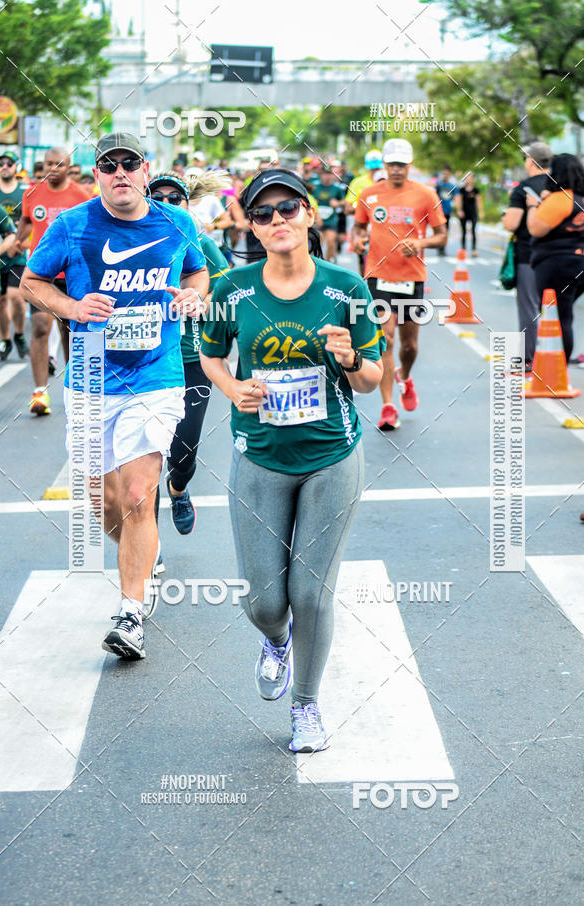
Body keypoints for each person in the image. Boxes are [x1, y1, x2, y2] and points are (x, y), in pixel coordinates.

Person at [199, 168, 384, 753]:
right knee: (264, 602)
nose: (276, 220)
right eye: (262, 213)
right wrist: (233, 389)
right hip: (259, 454)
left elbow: (372, 380)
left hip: (332, 455)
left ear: (309, 214)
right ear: (250, 226)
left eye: (287, 208)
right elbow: (210, 356)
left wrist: (350, 358)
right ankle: (275, 639)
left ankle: (306, 705)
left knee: (311, 594)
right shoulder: (231, 289)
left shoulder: (346, 288)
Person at [21, 132, 209, 659]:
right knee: (102, 500)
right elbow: (32, 282)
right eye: (109, 165)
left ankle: (130, 613)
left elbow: (198, 271)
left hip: (155, 376)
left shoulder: (176, 221)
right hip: (89, 377)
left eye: (130, 163)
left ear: (145, 170)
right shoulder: (72, 224)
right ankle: (143, 554)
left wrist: (193, 295)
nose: (120, 172)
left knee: (137, 495)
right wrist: (73, 307)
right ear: (97, 174)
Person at [147, 170, 230, 534]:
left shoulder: (201, 243)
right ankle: (148, 545)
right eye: (157, 198)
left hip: (191, 358)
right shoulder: (130, 242)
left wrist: (199, 301)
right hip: (145, 361)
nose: (166, 204)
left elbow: (227, 295)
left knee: (183, 450)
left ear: (187, 204)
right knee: (145, 455)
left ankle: (178, 488)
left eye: (174, 199)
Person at [353, 138, 447, 430]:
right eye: (392, 164)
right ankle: (388, 407)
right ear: (384, 164)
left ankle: (404, 376)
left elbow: (441, 235)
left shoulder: (426, 195)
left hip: (411, 279)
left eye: (401, 164)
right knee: (387, 339)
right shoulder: (369, 194)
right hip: (378, 276)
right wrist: (357, 240)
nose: (396, 169)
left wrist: (420, 243)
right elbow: (358, 227)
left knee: (409, 346)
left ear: (410, 165)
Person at [15, 146, 89, 415]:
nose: (53, 169)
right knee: (39, 328)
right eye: (48, 164)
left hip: (71, 276)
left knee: (70, 333)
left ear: (69, 167)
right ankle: (39, 392)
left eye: (59, 164)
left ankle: (74, 390)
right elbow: (26, 222)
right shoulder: (31, 193)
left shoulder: (82, 196)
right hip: (41, 276)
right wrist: (18, 240)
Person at [528, 152, 584, 361]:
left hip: (557, 265)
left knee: (559, 317)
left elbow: (536, 229)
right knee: (563, 313)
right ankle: (555, 364)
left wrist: (532, 205)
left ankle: (557, 366)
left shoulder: (560, 199)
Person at [502, 141, 552, 371]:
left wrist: (505, 217)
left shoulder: (524, 188)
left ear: (530, 161)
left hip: (528, 256)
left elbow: (512, 224)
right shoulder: (559, 187)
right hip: (555, 255)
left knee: (529, 308)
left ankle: (527, 358)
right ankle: (555, 358)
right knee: (556, 308)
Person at [0, 151, 29, 360]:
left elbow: (31, 221)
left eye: (9, 163)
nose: (4, 166)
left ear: (16, 166)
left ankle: (19, 334)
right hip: (0, 252)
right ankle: (5, 340)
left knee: (15, 297)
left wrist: (20, 243)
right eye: (1, 163)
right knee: (1, 301)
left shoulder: (24, 192)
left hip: (17, 251)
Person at [345, 150, 385, 277]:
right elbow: (348, 208)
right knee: (361, 245)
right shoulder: (358, 183)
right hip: (365, 224)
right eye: (372, 169)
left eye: (377, 168)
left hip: (386, 224)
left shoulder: (389, 181)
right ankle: (364, 280)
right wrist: (362, 208)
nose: (375, 171)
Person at [310, 164, 345, 261]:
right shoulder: (314, 186)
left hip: (331, 220)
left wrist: (337, 203)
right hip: (318, 220)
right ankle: (317, 261)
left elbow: (344, 202)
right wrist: (313, 202)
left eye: (329, 174)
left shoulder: (337, 188)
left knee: (331, 242)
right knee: (318, 241)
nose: (327, 176)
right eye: (325, 174)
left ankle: (328, 262)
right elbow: (306, 198)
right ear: (321, 174)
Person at [455, 172, 483, 257]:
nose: (468, 179)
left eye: (470, 178)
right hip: (464, 213)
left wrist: (481, 212)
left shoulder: (476, 190)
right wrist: (459, 210)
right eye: (467, 178)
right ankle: (463, 249)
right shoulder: (462, 190)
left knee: (474, 231)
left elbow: (478, 201)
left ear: (473, 179)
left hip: (473, 212)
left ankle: (474, 249)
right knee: (463, 231)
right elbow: (459, 200)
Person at [434, 166, 459, 255]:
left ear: (450, 175)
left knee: (445, 231)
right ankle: (439, 247)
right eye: (444, 173)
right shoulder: (438, 185)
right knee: (439, 231)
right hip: (438, 212)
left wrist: (459, 209)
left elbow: (457, 197)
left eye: (447, 174)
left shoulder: (452, 186)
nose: (445, 175)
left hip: (447, 211)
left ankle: (443, 248)